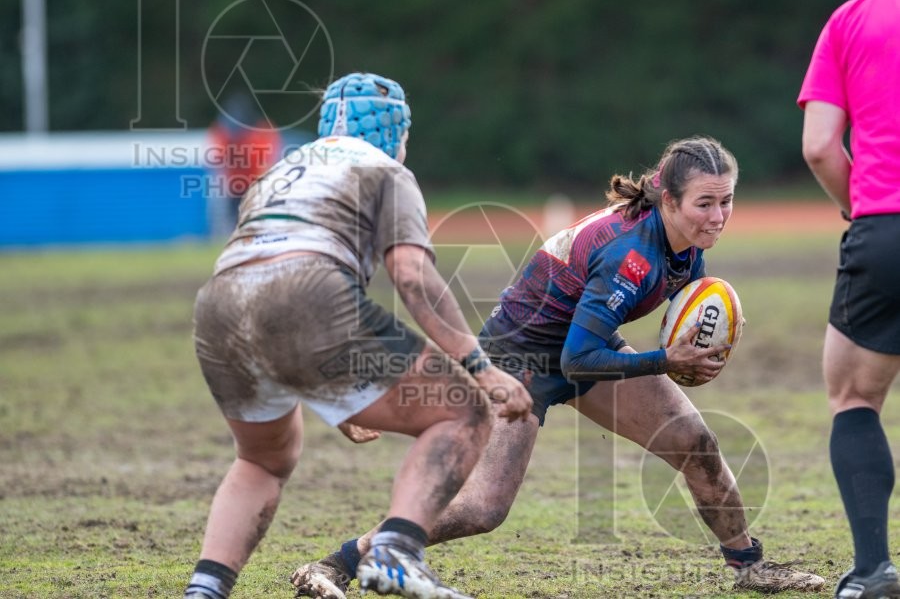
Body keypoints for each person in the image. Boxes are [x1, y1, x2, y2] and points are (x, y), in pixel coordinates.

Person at [292, 136, 826, 598]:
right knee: (483, 508)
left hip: (582, 342)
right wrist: (668, 358)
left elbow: (672, 311)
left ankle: (748, 566)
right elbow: (578, 359)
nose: (718, 217)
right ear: (668, 199)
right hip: (520, 357)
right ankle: (339, 561)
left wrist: (712, 329)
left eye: (726, 201)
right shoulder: (628, 253)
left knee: (696, 444)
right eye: (704, 204)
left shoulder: (686, 244)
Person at [183, 72, 532, 599]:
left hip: (217, 308)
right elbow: (413, 278)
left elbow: (260, 281)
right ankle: (395, 551)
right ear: (394, 131)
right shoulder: (384, 169)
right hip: (307, 295)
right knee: (464, 409)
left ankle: (204, 591)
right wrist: (482, 369)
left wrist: (340, 392)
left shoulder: (281, 170)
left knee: (262, 459)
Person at [798, 0, 900, 597]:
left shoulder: (852, 18)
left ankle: (874, 572)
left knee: (855, 395)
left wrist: (855, 207)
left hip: (886, 228)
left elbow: (819, 147)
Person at [207, 93, 283, 237]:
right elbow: (217, 157)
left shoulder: (261, 131)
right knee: (232, 218)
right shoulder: (224, 131)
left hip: (256, 183)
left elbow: (266, 160)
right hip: (234, 185)